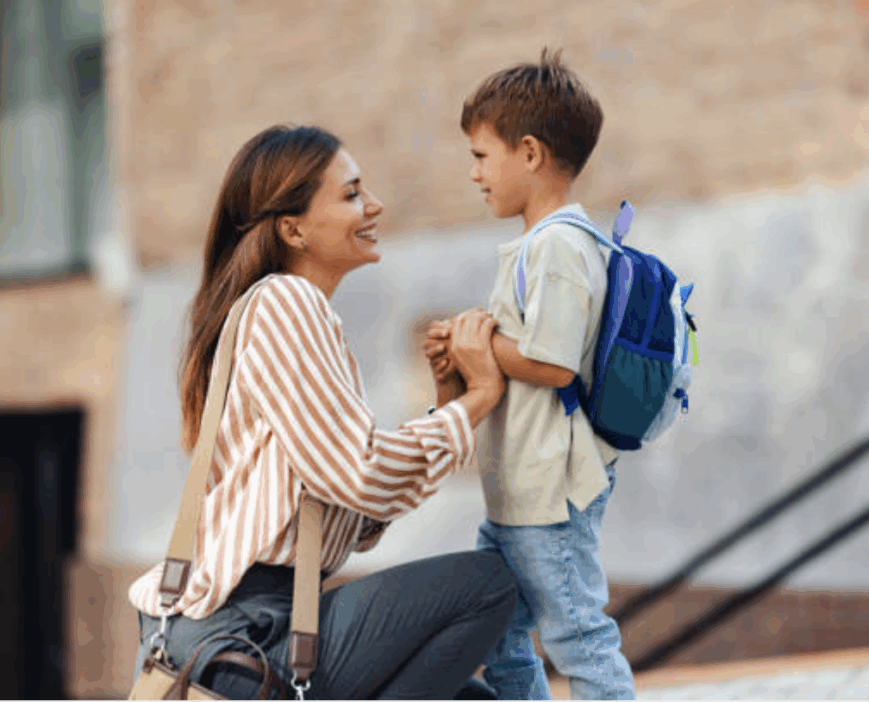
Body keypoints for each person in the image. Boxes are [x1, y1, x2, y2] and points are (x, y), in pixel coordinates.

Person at [127, 124, 516, 700]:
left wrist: (446, 406)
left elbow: (351, 513)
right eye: (353, 193)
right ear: (294, 229)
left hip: (254, 623)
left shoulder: (283, 314)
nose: (375, 205)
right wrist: (479, 400)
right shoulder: (288, 303)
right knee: (487, 584)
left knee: (475, 698)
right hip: (248, 634)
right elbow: (359, 473)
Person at [424, 48, 636, 699]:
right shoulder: (539, 244)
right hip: (519, 496)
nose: (473, 174)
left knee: (576, 637)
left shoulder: (560, 246)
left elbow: (552, 361)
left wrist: (479, 346)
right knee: (498, 635)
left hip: (549, 498)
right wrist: (469, 351)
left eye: (481, 157)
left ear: (530, 154)